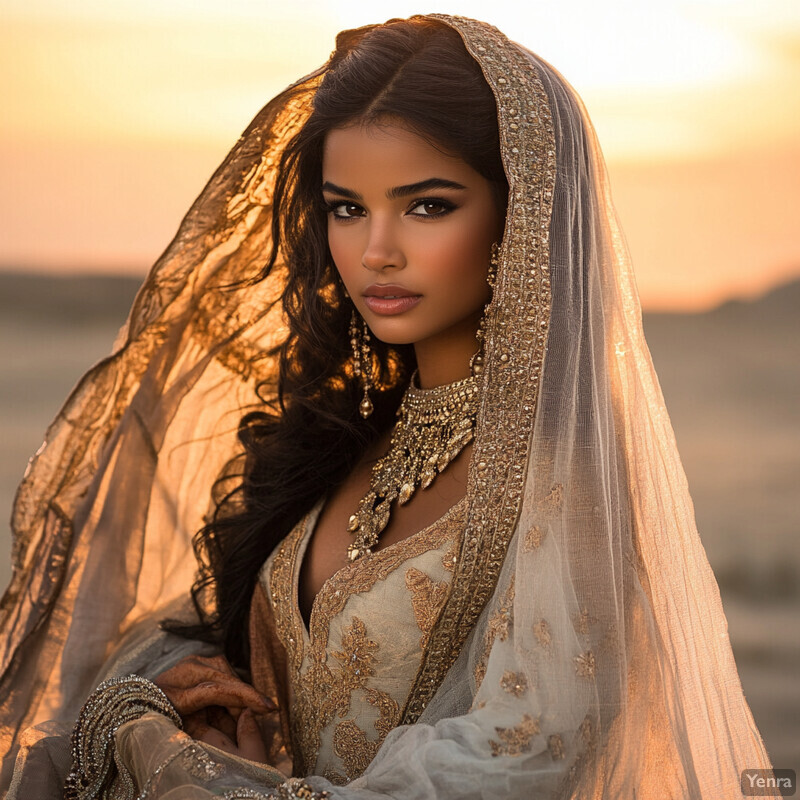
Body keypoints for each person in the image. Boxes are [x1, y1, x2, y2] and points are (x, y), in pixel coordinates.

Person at [0, 13, 777, 799]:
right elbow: (205, 644)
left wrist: (208, 780)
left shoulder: (565, 488)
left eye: (428, 206)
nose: (376, 250)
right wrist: (160, 710)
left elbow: (519, 758)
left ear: (523, 213)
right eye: (347, 208)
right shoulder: (336, 440)